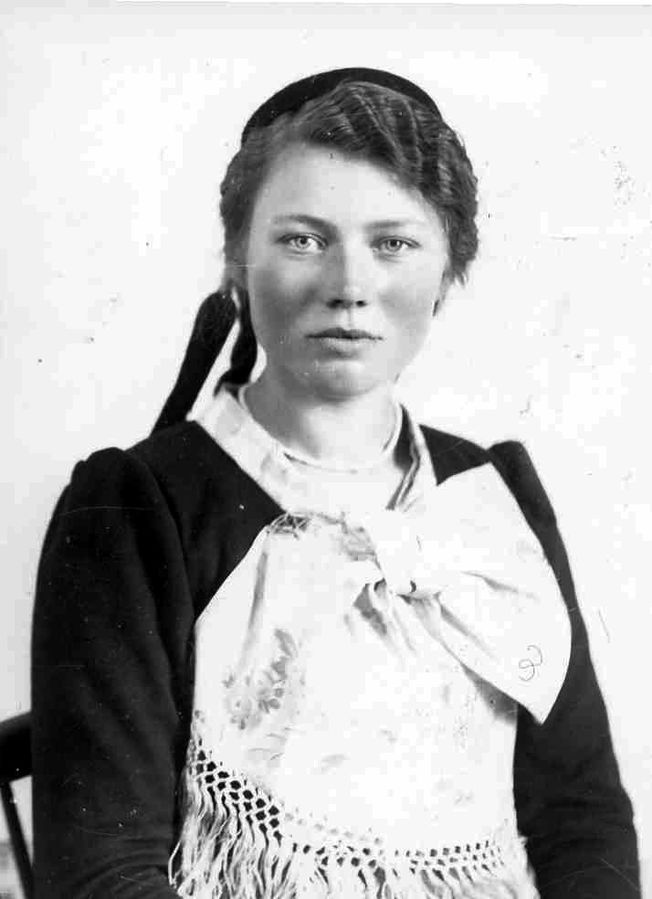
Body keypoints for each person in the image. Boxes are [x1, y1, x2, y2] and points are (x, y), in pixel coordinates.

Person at [31, 68, 639, 899]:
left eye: (393, 243)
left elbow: (582, 818)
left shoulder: (493, 496)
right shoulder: (134, 509)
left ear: (449, 268)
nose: (350, 286)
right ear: (236, 260)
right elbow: (101, 870)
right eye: (303, 240)